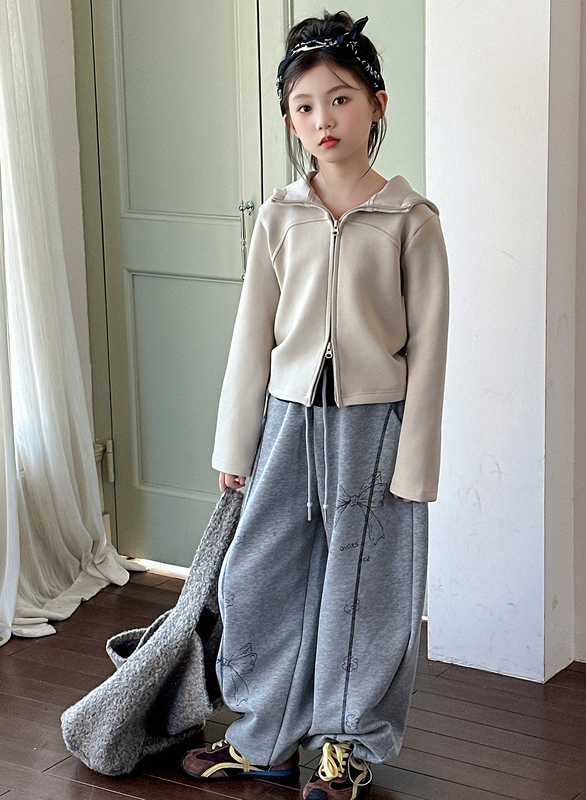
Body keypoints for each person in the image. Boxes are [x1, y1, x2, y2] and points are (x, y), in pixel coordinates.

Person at [182, 10, 448, 800]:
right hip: (287, 424)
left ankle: (343, 748)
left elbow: (430, 350)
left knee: (367, 588)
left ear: (377, 104)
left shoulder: (411, 220)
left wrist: (416, 463)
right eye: (304, 106)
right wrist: (236, 445)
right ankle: (264, 739)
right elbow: (251, 337)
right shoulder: (280, 216)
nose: (322, 119)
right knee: (257, 577)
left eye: (340, 99)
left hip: (375, 429)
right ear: (289, 120)